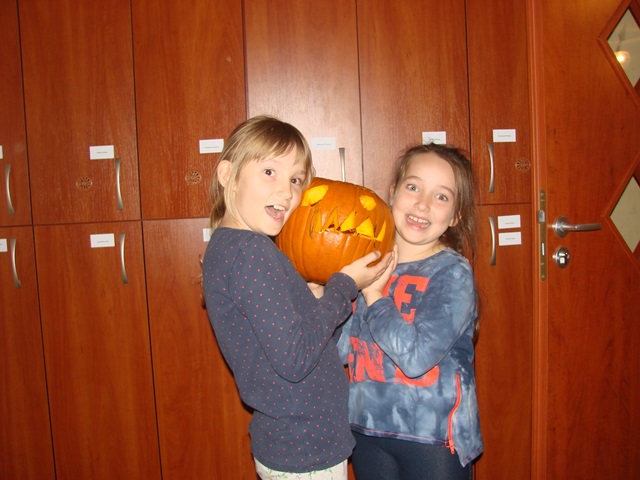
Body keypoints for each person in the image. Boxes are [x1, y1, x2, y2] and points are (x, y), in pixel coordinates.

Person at [201, 115, 394, 480]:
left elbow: (309, 347)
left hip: (296, 440)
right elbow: (295, 358)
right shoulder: (251, 252)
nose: (287, 192)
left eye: (295, 179)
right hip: (305, 446)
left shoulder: (233, 247)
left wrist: (319, 300)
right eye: (269, 172)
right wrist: (343, 286)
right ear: (228, 175)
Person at [337, 143, 483, 479]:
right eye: (413, 187)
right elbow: (341, 351)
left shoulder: (451, 273)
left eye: (441, 196)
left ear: (456, 215)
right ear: (392, 192)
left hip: (433, 437)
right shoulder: (366, 265)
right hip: (366, 428)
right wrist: (326, 292)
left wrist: (374, 295)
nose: (423, 204)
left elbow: (416, 359)